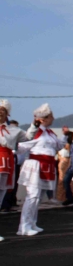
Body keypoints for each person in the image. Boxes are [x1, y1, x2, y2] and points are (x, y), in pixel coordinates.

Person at [16, 103, 63, 236]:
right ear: (44, 118)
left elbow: (58, 146)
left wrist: (66, 138)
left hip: (47, 165)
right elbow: (22, 146)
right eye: (51, 116)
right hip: (35, 166)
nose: (53, 118)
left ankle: (32, 223)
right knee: (32, 196)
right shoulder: (35, 132)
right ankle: (23, 226)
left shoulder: (50, 133)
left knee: (38, 197)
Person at [0, 99, 28, 241]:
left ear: (7, 114)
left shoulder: (13, 130)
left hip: (7, 163)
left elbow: (28, 137)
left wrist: (35, 126)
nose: (0, 112)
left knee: (2, 194)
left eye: (3, 110)